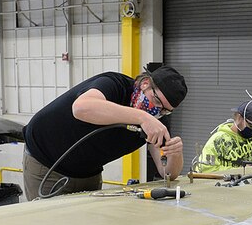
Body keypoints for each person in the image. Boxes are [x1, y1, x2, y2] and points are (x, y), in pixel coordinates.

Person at [21, 64, 188, 199]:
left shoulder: (156, 121)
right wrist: (141, 117)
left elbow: (167, 173)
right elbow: (81, 108)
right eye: (156, 100)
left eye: (165, 110)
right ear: (145, 84)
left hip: (88, 173)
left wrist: (176, 154)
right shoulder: (114, 84)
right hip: (48, 162)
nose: (157, 110)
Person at [195, 98, 252, 172]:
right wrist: (241, 171)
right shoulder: (218, 140)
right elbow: (206, 169)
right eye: (250, 125)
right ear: (239, 118)